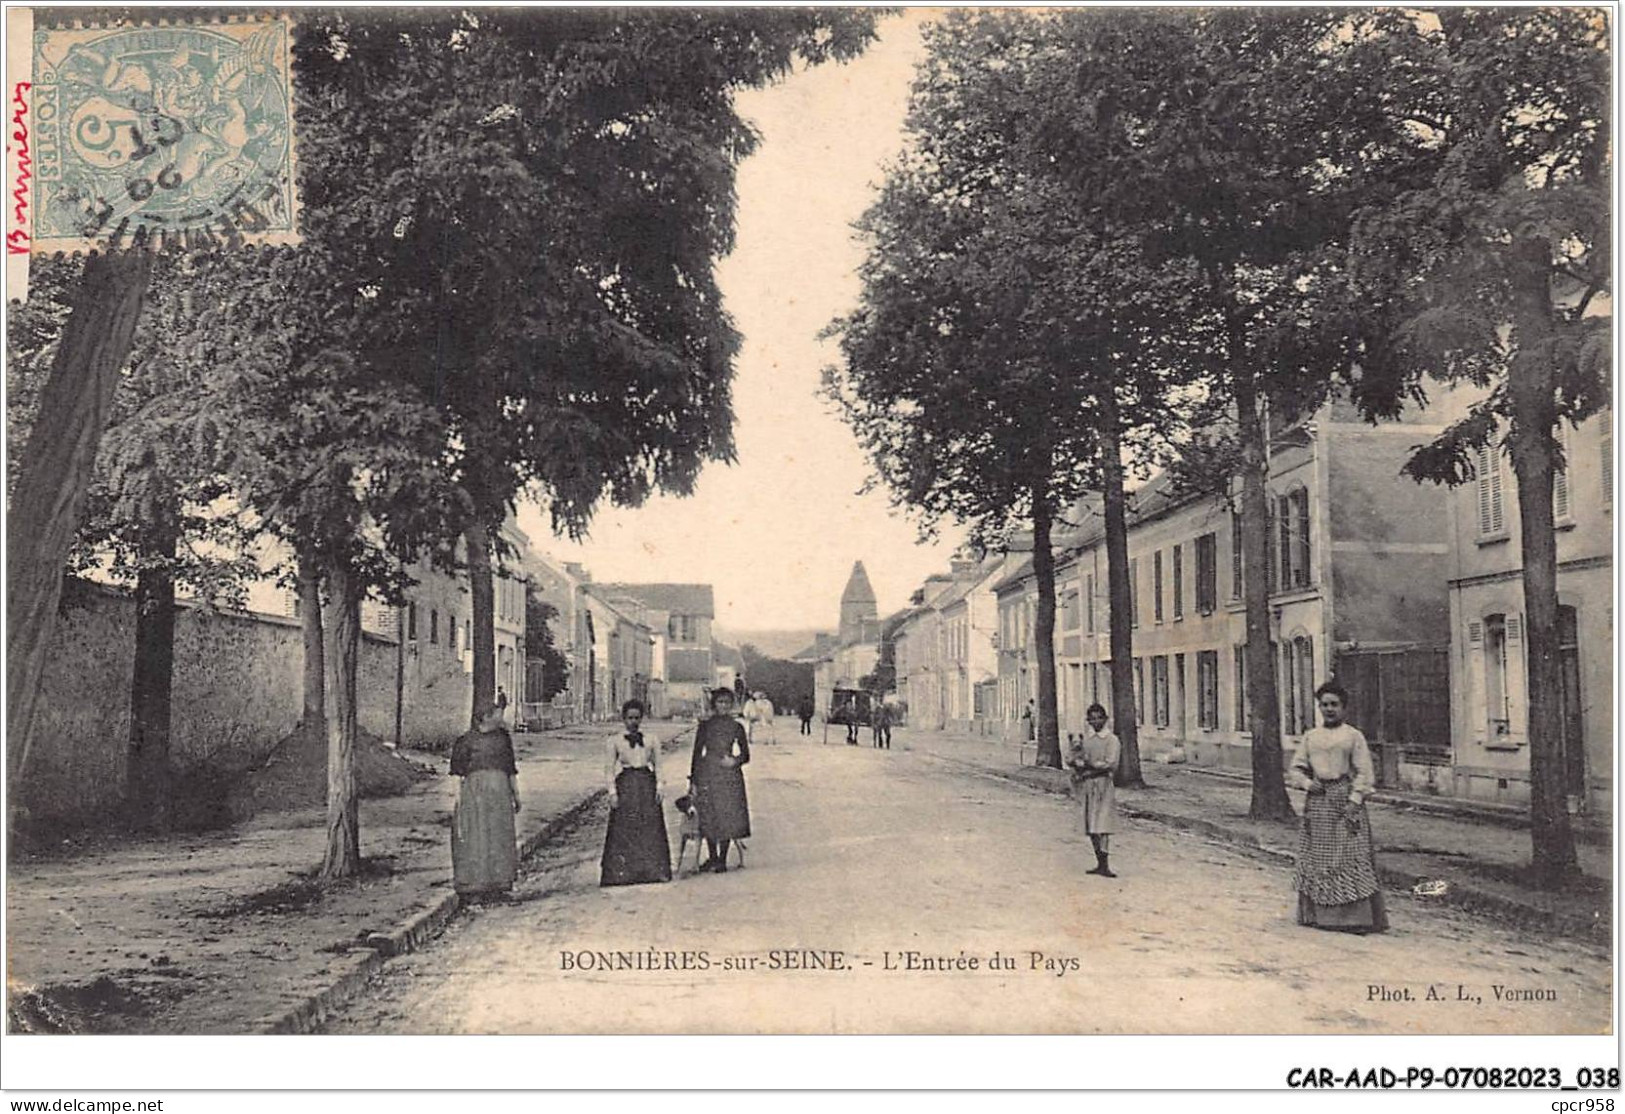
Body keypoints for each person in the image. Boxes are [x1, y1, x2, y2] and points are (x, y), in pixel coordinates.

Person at [1289, 681, 1389, 934]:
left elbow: (1365, 771)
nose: (1329, 709)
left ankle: (1354, 918)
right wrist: (1306, 783)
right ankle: (1318, 915)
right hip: (1318, 800)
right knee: (1319, 857)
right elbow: (1296, 768)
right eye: (1324, 705)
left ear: (1344, 708)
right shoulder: (1311, 737)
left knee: (1349, 855)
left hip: (1344, 799)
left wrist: (1355, 800)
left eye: (1334, 704)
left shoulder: (1353, 736)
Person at [449, 701, 520, 901]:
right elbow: (457, 774)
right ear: (485, 717)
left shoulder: (503, 738)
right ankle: (474, 888)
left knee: (499, 836)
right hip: (475, 795)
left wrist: (516, 795)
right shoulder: (465, 741)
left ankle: (499, 885)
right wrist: (458, 800)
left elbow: (510, 769)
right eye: (497, 713)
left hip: (500, 794)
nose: (501, 717)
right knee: (476, 837)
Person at [600, 699, 672, 887]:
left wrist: (660, 787)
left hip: (646, 783)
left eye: (637, 718)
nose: (633, 722)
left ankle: (652, 870)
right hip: (626, 784)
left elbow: (659, 765)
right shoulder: (614, 741)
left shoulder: (651, 739)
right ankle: (623, 873)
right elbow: (609, 769)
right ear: (623, 718)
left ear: (642, 718)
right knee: (625, 826)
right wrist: (612, 793)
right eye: (630, 718)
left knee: (649, 826)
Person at [689, 687, 751, 872]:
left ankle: (722, 859)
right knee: (709, 815)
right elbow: (697, 754)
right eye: (720, 702)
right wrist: (693, 780)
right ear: (714, 704)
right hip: (708, 772)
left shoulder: (736, 727)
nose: (723, 706)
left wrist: (734, 761)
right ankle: (713, 857)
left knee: (727, 815)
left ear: (731, 705)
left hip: (729, 776)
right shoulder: (705, 726)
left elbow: (746, 755)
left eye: (727, 702)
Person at [1067, 704, 1121, 877]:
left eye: (1099, 717)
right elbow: (1078, 758)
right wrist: (1075, 764)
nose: (1096, 721)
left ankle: (1105, 864)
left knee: (1103, 824)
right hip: (1088, 786)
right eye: (1092, 718)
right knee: (1090, 824)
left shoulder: (1112, 740)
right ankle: (1099, 861)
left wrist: (1089, 766)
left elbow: (1111, 764)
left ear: (1105, 719)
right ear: (1088, 721)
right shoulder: (1087, 741)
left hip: (1103, 785)